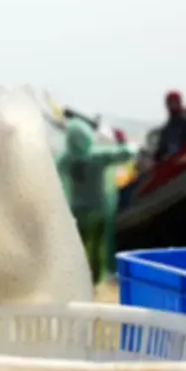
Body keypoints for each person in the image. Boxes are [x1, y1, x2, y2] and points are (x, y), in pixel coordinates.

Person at [56, 111, 133, 284]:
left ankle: (78, 278)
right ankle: (95, 280)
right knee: (99, 248)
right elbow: (127, 153)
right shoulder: (97, 157)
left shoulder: (66, 160)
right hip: (99, 209)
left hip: (77, 210)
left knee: (79, 247)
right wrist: (121, 141)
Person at [154, 90, 186, 161]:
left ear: (179, 103)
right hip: (170, 163)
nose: (172, 105)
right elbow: (161, 151)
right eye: (170, 103)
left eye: (174, 102)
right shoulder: (166, 129)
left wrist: (172, 150)